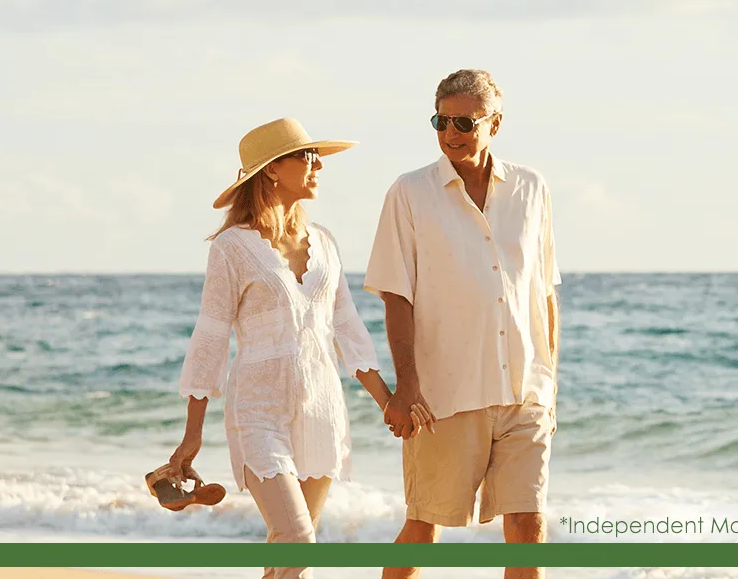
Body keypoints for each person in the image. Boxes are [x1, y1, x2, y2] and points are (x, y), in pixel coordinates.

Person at [167, 117, 433, 579]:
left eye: (317, 157)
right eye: (306, 156)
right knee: (298, 541)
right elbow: (210, 338)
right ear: (271, 169)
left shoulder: (325, 243)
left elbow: (347, 329)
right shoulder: (232, 247)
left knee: (288, 558)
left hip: (321, 411)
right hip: (258, 411)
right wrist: (193, 434)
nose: (317, 166)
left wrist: (389, 400)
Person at [365, 70, 561, 579]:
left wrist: (550, 383)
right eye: (441, 121)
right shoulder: (410, 193)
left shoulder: (532, 188)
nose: (451, 133)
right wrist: (405, 386)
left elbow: (543, 290)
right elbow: (395, 293)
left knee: (528, 525)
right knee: (424, 527)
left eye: (465, 122)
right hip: (443, 394)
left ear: (495, 123)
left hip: (525, 391)